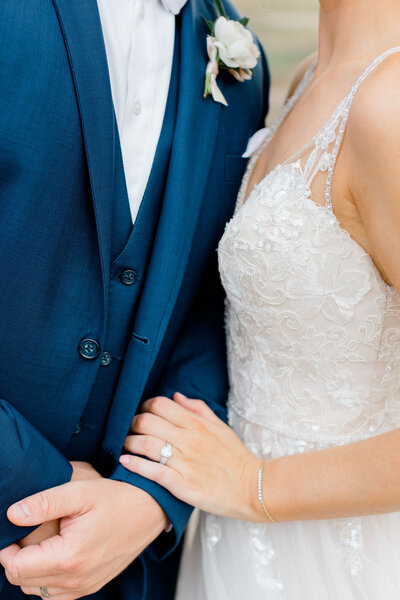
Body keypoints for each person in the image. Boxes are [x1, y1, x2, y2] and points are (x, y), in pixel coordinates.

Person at [120, 0, 400, 597]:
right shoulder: (307, 77)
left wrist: (255, 487)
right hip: (236, 547)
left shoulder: (391, 104)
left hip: (336, 555)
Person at [0, 1, 269, 599]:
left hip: (129, 569)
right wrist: (24, 488)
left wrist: (151, 495)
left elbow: (211, 306)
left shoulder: (239, 65)